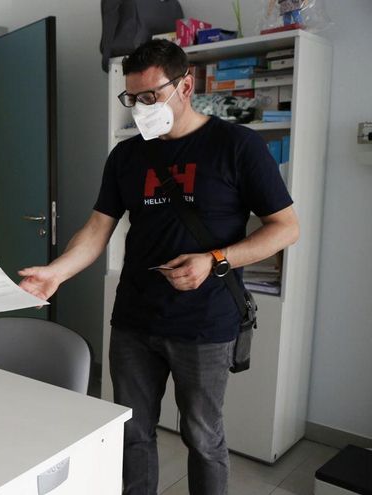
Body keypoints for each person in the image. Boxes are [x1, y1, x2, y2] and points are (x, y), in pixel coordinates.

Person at [19, 40, 299, 495]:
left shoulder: (237, 146)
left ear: (186, 85)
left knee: (204, 437)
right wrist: (57, 272)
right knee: (131, 434)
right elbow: (97, 228)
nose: (140, 108)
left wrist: (215, 260)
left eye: (151, 96)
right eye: (132, 98)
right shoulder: (127, 156)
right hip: (134, 320)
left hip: (205, 322)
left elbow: (285, 228)